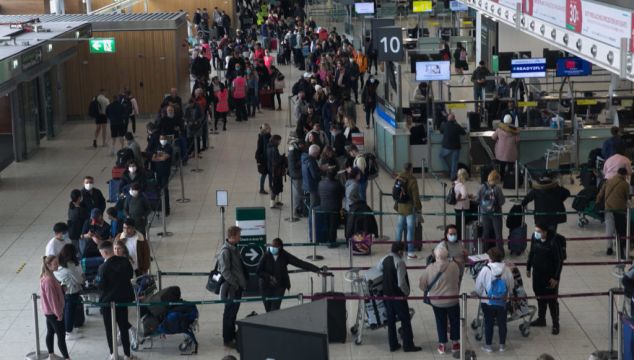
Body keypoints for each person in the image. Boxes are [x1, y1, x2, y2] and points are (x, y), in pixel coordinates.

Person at [376, 242, 422, 352]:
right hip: (397, 297)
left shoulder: (384, 258)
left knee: (390, 321)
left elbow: (378, 269)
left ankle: (393, 345)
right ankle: (408, 345)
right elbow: (401, 282)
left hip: (386, 295)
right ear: (400, 251)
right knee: (405, 320)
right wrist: (406, 293)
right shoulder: (400, 262)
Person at [257, 238, 323, 312]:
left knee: (274, 309)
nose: (273, 248)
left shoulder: (284, 255)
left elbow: (299, 263)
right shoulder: (266, 255)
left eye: (276, 246)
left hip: (280, 285)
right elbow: (259, 271)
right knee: (268, 309)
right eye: (272, 246)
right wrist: (269, 277)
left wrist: (316, 269)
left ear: (280, 248)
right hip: (266, 286)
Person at [97, 241, 136, 360]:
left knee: (110, 329)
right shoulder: (125, 261)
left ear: (104, 252)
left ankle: (113, 354)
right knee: (123, 327)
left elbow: (101, 286)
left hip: (108, 302)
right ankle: (127, 355)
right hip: (123, 300)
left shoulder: (103, 267)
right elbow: (130, 275)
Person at [419, 246, 461, 355]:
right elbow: (458, 279)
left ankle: (442, 344)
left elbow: (422, 285)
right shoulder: (454, 266)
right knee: (454, 320)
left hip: (437, 301)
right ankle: (455, 342)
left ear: (435, 256)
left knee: (440, 321)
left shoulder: (430, 268)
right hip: (452, 299)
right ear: (447, 255)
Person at [473, 247, 514, 353]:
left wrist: (477, 293)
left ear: (490, 258)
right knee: (502, 323)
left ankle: (488, 346)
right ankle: (502, 346)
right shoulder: (507, 269)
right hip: (502, 301)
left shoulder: (485, 269)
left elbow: (479, 286)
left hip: (487, 302)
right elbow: (511, 286)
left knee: (488, 323)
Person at [527, 224, 565, 335]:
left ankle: (555, 324)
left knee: (552, 301)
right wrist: (528, 267)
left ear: (545, 232)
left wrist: (555, 278)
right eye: (535, 231)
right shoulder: (535, 238)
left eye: (538, 231)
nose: (536, 233)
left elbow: (559, 261)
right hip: (537, 274)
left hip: (549, 276)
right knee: (539, 297)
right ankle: (541, 319)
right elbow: (532, 253)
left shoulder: (553, 242)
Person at [218, 226, 248, 348]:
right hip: (232, 289)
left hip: (236, 287)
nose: (240, 237)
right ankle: (227, 339)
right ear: (233, 236)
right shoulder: (226, 251)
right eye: (238, 235)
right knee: (229, 314)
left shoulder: (234, 248)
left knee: (233, 313)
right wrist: (236, 284)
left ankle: (231, 336)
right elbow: (225, 272)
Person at [41, 255, 71, 360]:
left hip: (49, 312)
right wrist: (59, 314)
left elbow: (53, 295)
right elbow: (52, 300)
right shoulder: (49, 280)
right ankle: (67, 358)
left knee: (50, 332)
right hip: (54, 313)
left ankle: (51, 354)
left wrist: (62, 289)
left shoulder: (50, 275)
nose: (57, 265)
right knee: (61, 336)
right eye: (55, 264)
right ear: (48, 265)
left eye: (57, 263)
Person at [597, 167, 630, 257]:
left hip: (608, 208)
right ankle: (621, 247)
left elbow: (600, 194)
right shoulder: (625, 184)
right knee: (621, 229)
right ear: (625, 175)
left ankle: (609, 248)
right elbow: (627, 197)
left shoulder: (608, 181)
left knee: (609, 229)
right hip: (620, 210)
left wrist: (598, 202)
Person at [54, 244, 84, 341]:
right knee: (69, 311)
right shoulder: (70, 264)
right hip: (72, 290)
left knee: (68, 310)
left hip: (65, 289)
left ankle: (69, 329)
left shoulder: (59, 262)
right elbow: (78, 279)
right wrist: (82, 279)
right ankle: (69, 332)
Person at [394, 162, 422, 259]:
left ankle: (396, 251)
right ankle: (410, 252)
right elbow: (416, 196)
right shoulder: (412, 180)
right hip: (410, 209)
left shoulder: (398, 178)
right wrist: (418, 208)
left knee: (399, 229)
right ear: (411, 169)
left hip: (400, 207)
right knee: (410, 230)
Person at [477, 170, 505, 253]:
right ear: (496, 179)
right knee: (498, 234)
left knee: (486, 233)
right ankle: (500, 252)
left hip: (484, 213)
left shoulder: (482, 187)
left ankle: (485, 251)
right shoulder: (497, 189)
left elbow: (477, 199)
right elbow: (502, 202)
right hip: (496, 213)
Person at [318, 169, 344, 247]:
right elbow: (342, 193)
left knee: (327, 223)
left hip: (323, 207)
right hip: (334, 208)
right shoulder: (337, 184)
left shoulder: (321, 183)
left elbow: (319, 194)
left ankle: (327, 239)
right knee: (333, 225)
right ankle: (332, 242)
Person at [492, 115, 520, 179]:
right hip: (511, 153)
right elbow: (517, 141)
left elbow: (493, 137)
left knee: (502, 165)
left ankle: (501, 178)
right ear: (511, 121)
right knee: (510, 167)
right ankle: (509, 179)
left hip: (500, 153)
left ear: (503, 121)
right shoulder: (515, 131)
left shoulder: (499, 129)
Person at [439, 114, 466, 180]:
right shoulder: (457, 126)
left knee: (441, 156)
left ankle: (447, 169)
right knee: (454, 162)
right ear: (454, 119)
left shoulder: (444, 125)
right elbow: (464, 132)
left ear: (447, 119)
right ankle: (452, 177)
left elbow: (441, 131)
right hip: (456, 147)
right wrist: (457, 123)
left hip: (446, 147)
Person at [151, 134, 173, 216]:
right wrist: (160, 158)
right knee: (159, 190)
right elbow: (153, 158)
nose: (162, 140)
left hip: (165, 172)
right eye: (161, 138)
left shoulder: (169, 147)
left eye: (164, 138)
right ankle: (160, 208)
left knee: (165, 190)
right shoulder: (157, 147)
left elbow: (165, 158)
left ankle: (167, 209)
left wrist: (158, 157)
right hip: (158, 172)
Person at [267, 134, 285, 208]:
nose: (280, 142)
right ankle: (272, 203)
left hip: (272, 170)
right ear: (276, 141)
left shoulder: (269, 147)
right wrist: (282, 158)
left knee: (278, 186)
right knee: (275, 187)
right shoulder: (274, 149)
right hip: (275, 171)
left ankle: (276, 201)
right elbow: (276, 160)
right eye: (279, 140)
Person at [302, 144, 323, 209]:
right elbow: (315, 175)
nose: (318, 154)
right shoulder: (311, 161)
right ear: (315, 153)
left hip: (307, 184)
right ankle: (312, 219)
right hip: (313, 186)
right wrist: (322, 171)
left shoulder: (305, 158)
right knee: (314, 205)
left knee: (312, 203)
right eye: (318, 153)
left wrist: (319, 168)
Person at [453, 168, 472, 240]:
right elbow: (464, 195)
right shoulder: (462, 185)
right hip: (462, 207)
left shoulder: (455, 183)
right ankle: (462, 237)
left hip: (456, 207)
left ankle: (457, 237)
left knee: (458, 223)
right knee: (462, 224)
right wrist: (467, 197)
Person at [256, 123, 272, 195]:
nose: (270, 129)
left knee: (269, 174)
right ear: (265, 130)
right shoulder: (264, 137)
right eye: (269, 128)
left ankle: (270, 187)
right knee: (264, 174)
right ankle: (262, 189)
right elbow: (265, 149)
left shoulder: (267, 136)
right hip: (265, 160)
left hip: (266, 159)